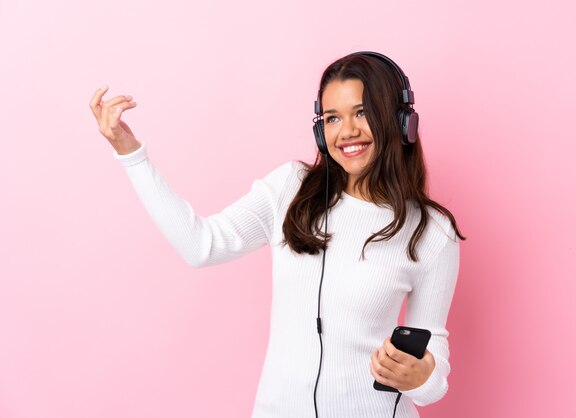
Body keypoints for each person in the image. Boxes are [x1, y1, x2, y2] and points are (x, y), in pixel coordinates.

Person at [89, 51, 465, 418]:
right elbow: (200, 245)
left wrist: (421, 377)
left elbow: (434, 363)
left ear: (401, 122)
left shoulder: (432, 231)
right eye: (332, 118)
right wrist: (131, 153)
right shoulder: (290, 188)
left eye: (362, 113)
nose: (347, 131)